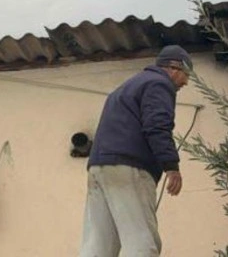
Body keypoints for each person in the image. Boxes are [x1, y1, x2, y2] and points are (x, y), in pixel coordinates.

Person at [79, 45, 192, 257]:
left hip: (98, 169)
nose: (185, 82)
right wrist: (171, 166)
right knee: (142, 241)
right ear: (175, 67)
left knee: (98, 245)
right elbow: (157, 126)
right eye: (186, 75)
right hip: (130, 168)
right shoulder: (159, 84)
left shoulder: (125, 88)